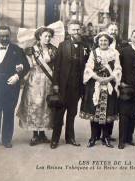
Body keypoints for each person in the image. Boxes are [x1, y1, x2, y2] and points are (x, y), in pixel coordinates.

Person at [0, 26, 29, 149]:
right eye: (2, 36)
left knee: (8, 114)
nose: (5, 38)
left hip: (10, 88)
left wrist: (17, 76)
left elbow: (26, 66)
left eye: (7, 36)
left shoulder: (17, 50)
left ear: (10, 36)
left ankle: (6, 140)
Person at [50, 20, 89, 149]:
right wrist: (55, 84)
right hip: (63, 86)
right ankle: (55, 139)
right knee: (59, 114)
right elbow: (57, 67)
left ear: (81, 30)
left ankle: (70, 138)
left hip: (77, 87)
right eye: (73, 29)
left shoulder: (85, 46)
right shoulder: (63, 45)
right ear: (68, 30)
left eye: (78, 29)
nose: (76, 32)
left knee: (72, 114)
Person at [16, 27, 57, 146]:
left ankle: (43, 134)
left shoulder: (54, 50)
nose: (48, 38)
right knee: (34, 106)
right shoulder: (31, 49)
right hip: (34, 80)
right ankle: (35, 135)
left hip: (48, 81)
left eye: (50, 36)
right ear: (39, 36)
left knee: (46, 106)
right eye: (45, 36)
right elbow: (26, 63)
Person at [80, 32, 121, 148]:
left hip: (109, 84)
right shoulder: (94, 53)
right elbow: (88, 68)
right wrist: (98, 78)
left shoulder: (114, 53)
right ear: (97, 42)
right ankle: (93, 137)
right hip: (95, 84)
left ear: (109, 42)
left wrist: (109, 78)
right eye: (101, 41)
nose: (103, 42)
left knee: (109, 112)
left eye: (105, 41)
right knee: (94, 112)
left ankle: (106, 137)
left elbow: (118, 68)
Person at [118, 28, 135, 149]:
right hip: (125, 87)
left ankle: (129, 137)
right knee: (124, 115)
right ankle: (122, 140)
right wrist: (121, 82)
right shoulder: (123, 51)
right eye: (134, 37)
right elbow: (118, 69)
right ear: (131, 37)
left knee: (133, 114)